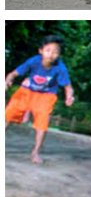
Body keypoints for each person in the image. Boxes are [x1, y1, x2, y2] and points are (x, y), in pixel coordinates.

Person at [5, 35, 75, 164]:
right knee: (7, 115)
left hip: (46, 96)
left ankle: (35, 152)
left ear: (59, 55)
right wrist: (8, 80)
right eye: (48, 50)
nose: (51, 54)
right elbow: (13, 73)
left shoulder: (60, 68)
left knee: (42, 124)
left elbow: (67, 86)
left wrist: (69, 96)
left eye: (55, 52)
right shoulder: (33, 61)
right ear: (41, 51)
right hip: (27, 91)